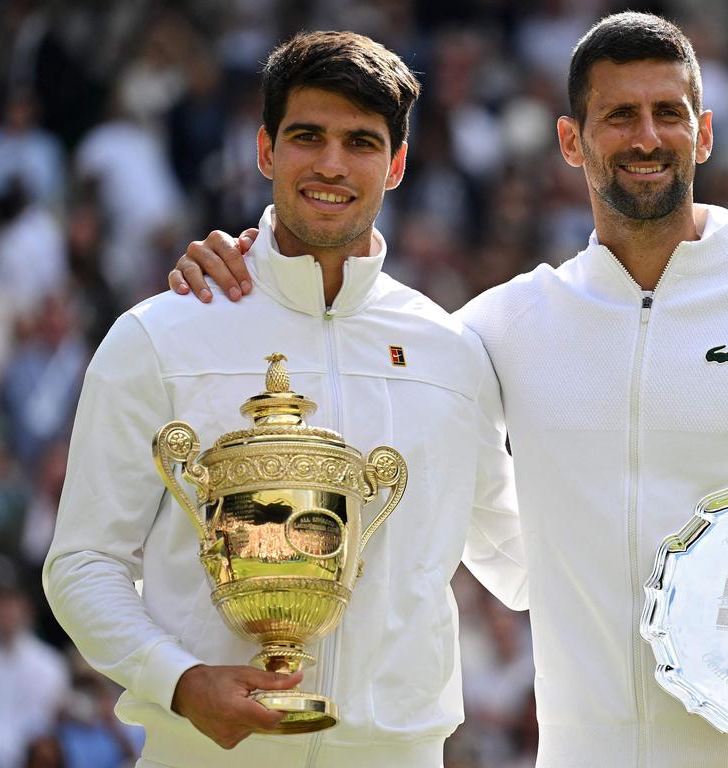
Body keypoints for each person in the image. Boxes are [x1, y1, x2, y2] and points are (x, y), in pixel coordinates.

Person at [169, 13, 728, 767]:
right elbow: (343, 331)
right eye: (619, 115)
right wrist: (252, 268)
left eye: (667, 113)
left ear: (703, 133)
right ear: (572, 141)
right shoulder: (501, 323)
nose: (646, 137)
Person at [44, 30, 526, 768]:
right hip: (204, 751)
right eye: (308, 137)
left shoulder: (449, 352)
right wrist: (180, 681)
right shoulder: (161, 334)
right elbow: (82, 563)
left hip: (396, 753)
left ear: (396, 165)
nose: (332, 165)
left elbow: (521, 563)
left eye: (361, 142)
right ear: (266, 150)